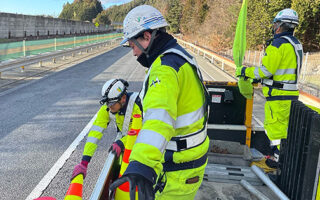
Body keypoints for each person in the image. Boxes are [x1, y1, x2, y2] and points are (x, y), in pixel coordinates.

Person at [109, 5, 209, 200]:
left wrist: (141, 164)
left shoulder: (164, 69)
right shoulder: (180, 57)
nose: (134, 54)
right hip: (189, 161)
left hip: (177, 167)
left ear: (147, 37)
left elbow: (159, 118)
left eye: (133, 46)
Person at [236, 8, 303, 165]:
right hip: (290, 95)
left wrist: (245, 71)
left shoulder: (278, 45)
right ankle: (284, 163)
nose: (274, 27)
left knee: (274, 132)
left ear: (279, 26)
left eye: (275, 24)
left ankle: (279, 164)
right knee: (285, 132)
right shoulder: (295, 44)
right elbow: (283, 71)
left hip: (278, 97)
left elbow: (266, 71)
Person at [71, 78, 142, 180]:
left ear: (123, 98)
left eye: (112, 104)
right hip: (127, 144)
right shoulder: (108, 107)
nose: (109, 107)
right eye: (107, 104)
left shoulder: (137, 105)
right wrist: (84, 162)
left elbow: (143, 132)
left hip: (143, 146)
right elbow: (95, 133)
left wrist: (122, 142)